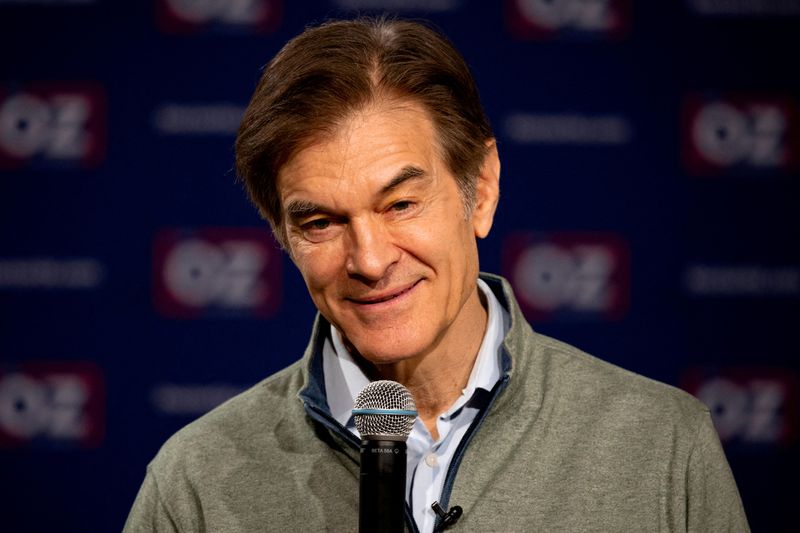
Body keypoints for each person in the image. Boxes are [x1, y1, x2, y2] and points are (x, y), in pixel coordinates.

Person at [124, 17, 749, 532]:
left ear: (480, 190)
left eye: (400, 204)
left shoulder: (664, 447)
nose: (369, 260)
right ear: (282, 236)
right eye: (320, 222)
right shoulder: (194, 485)